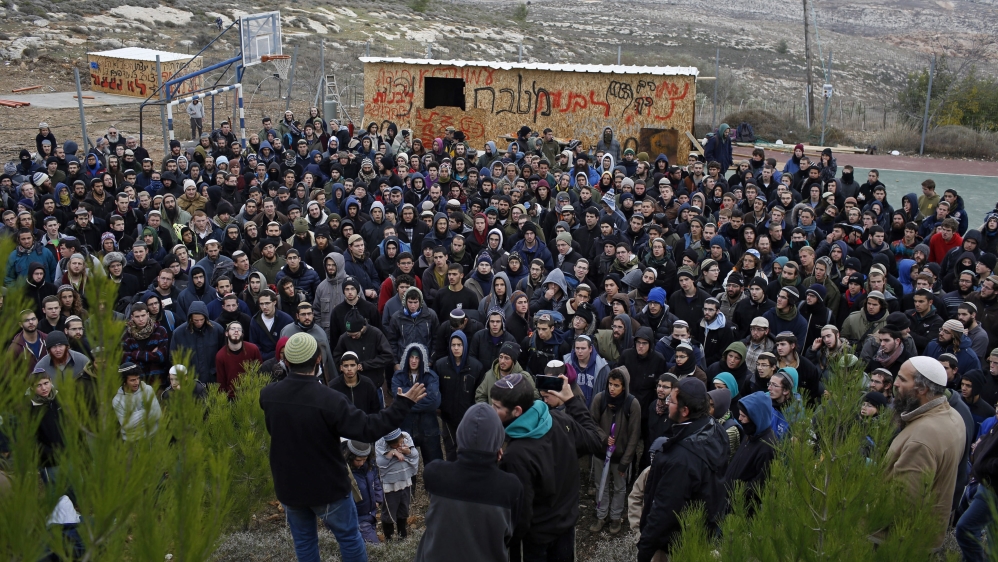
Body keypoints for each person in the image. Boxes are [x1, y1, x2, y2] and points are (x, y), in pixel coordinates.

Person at [259, 332, 428, 562]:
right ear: (319, 358)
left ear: (286, 361)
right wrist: (403, 404)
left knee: (305, 544)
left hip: (290, 485)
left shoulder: (268, 396)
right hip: (327, 486)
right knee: (349, 538)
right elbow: (368, 428)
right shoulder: (329, 399)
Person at [491, 372, 602, 560]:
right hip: (566, 528)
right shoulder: (560, 421)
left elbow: (520, 518)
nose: (491, 410)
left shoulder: (516, 456)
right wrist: (571, 401)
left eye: (496, 406)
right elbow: (595, 439)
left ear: (517, 411)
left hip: (535, 543)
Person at [416, 403, 523, 562]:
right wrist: (493, 462)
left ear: (460, 435)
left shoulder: (435, 473)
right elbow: (512, 535)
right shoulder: (510, 488)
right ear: (499, 444)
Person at [639, 377, 728, 562]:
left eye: (671, 401)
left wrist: (645, 549)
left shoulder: (681, 459)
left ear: (685, 410)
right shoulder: (715, 429)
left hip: (674, 544)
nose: (666, 403)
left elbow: (665, 509)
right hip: (699, 534)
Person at [886, 356, 967, 548]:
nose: (895, 384)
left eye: (903, 379)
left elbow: (902, 504)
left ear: (922, 389)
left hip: (898, 541)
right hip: (927, 533)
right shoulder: (952, 415)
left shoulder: (922, 439)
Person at [589, 367, 642, 535]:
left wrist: (626, 462)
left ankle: (616, 517)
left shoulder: (632, 404)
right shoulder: (600, 399)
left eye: (617, 385)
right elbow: (591, 424)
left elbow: (634, 435)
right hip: (600, 453)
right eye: (610, 384)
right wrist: (604, 438)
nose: (612, 388)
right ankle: (601, 515)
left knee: (620, 488)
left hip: (620, 457)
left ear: (624, 386)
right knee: (601, 485)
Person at [434, 330, 485, 461]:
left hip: (468, 416)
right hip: (447, 416)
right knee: (450, 448)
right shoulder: (440, 365)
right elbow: (435, 389)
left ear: (465, 346)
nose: (456, 348)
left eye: (459, 345)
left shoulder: (476, 367)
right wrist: (440, 407)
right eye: (453, 345)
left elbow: (479, 392)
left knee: (467, 449)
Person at [391, 343, 443, 465]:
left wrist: (407, 402)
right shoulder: (398, 376)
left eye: (417, 357)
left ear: (422, 359)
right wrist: (419, 399)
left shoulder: (431, 376)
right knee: (406, 466)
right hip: (406, 427)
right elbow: (398, 399)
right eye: (411, 357)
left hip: (428, 427)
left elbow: (434, 402)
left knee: (434, 465)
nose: (414, 361)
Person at [724, 391, 777, 506]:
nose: (739, 419)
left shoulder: (768, 447)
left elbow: (760, 484)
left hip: (743, 507)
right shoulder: (751, 434)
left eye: (743, 416)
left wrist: (737, 494)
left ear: (755, 418)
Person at [375, 428, 420, 541]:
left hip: (405, 480)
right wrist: (392, 453)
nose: (399, 445)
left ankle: (402, 534)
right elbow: (380, 463)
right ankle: (389, 536)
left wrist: (407, 452)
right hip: (390, 484)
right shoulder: (380, 443)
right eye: (395, 445)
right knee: (389, 511)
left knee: (403, 508)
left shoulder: (406, 437)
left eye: (400, 442)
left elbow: (414, 455)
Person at [169, 301, 224, 384]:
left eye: (202, 320)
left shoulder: (217, 330)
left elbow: (223, 353)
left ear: (206, 317)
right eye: (196, 320)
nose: (199, 323)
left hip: (213, 378)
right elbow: (173, 357)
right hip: (189, 380)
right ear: (190, 318)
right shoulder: (179, 333)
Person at [343, 440, 383, 544]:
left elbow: (375, 480)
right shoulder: (342, 471)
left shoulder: (369, 465)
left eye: (364, 459)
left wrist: (378, 498)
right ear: (350, 457)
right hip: (356, 518)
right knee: (374, 547)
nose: (361, 463)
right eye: (358, 460)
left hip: (370, 514)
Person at [112, 362, 162, 441]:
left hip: (152, 437)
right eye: (132, 380)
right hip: (132, 442)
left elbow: (157, 414)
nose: (137, 382)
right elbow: (127, 425)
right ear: (124, 382)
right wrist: (145, 412)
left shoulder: (148, 390)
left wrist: (132, 418)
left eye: (138, 378)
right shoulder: (117, 400)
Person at [215, 321, 262, 398]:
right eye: (233, 329)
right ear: (226, 333)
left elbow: (260, 373)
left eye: (239, 329)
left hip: (251, 394)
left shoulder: (253, 349)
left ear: (242, 334)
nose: (236, 331)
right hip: (232, 397)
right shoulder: (220, 355)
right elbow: (221, 382)